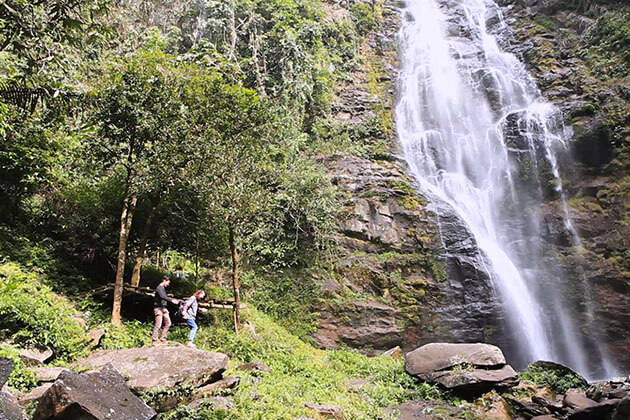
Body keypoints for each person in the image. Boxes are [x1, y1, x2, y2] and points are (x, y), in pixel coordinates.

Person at [152, 276, 179, 346]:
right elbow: (162, 296)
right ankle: (154, 341)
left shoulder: (163, 288)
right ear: (164, 280)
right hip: (158, 308)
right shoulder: (159, 288)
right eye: (168, 282)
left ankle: (163, 339)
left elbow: (164, 296)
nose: (168, 284)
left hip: (164, 308)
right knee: (158, 324)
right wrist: (171, 300)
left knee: (168, 323)